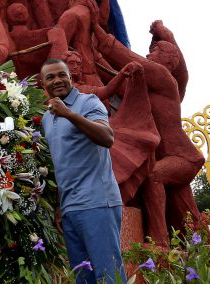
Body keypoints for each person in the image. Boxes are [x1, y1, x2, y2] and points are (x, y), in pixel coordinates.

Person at [40, 58, 126, 284]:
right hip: (70, 208)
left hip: (97, 203)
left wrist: (69, 113)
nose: (57, 80)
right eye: (50, 77)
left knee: (109, 276)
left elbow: (107, 138)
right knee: (83, 278)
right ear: (43, 84)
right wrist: (60, 204)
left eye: (62, 74)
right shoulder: (47, 118)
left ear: (70, 77)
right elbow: (59, 162)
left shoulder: (89, 102)